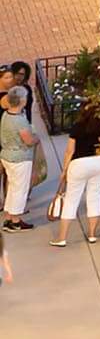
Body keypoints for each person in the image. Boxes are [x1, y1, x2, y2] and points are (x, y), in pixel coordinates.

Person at [50, 101, 100, 246]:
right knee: (94, 198)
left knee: (71, 199)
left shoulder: (77, 127)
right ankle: (92, 235)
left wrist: (64, 170)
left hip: (80, 164)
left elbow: (70, 151)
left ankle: (62, 237)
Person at [0, 86, 39, 232]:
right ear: (22, 100)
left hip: (7, 156)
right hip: (20, 159)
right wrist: (36, 138)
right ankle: (15, 221)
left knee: (12, 187)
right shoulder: (20, 121)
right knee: (19, 190)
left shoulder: (6, 115)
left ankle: (9, 217)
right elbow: (28, 140)